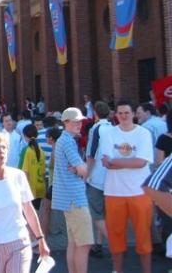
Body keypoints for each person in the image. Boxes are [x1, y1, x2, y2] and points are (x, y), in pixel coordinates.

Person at [0, 132, 49, 273]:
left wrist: (40, 239)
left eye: (4, 147)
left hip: (19, 243)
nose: (1, 151)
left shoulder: (18, 176)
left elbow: (29, 210)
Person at [101, 100, 154, 273]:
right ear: (115, 115)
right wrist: (128, 162)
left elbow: (141, 162)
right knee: (115, 237)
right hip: (114, 192)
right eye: (120, 113)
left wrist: (117, 162)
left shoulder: (143, 133)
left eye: (127, 112)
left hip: (139, 192)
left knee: (143, 236)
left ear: (133, 114)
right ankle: (117, 270)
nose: (124, 116)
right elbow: (106, 163)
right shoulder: (109, 133)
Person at [52, 107, 93, 273]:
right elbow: (83, 170)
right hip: (75, 199)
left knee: (74, 243)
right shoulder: (68, 141)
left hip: (68, 199)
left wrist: (79, 169)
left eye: (80, 121)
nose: (79, 124)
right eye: (75, 121)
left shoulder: (63, 140)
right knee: (84, 243)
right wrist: (82, 169)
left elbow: (79, 168)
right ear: (66, 122)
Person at [85, 100, 113, 259]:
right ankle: (98, 244)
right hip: (111, 176)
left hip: (96, 177)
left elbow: (91, 153)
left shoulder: (96, 129)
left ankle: (115, 244)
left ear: (95, 112)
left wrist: (86, 174)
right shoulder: (113, 128)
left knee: (96, 213)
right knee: (104, 214)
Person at [18, 124, 46, 211]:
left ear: (25, 136)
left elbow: (22, 171)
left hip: (29, 188)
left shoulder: (26, 150)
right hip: (40, 187)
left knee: (28, 215)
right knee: (36, 212)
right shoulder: (41, 151)